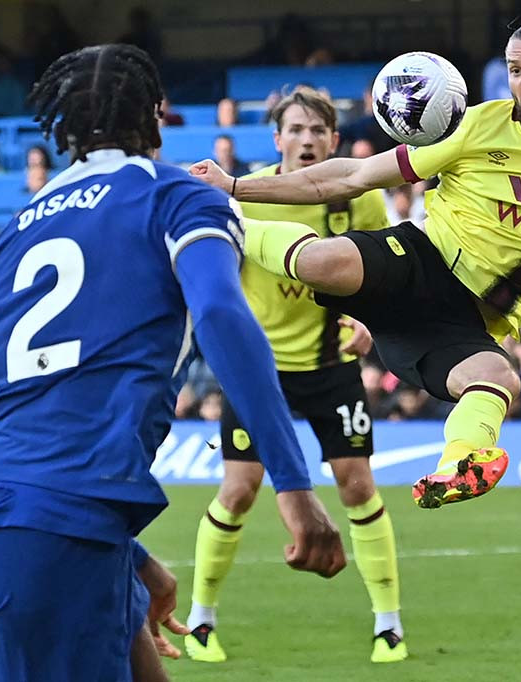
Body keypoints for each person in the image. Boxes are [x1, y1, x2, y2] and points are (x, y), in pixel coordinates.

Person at [190, 15, 521, 509]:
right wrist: (235, 187)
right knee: (324, 261)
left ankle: (458, 466)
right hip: (420, 261)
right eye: (515, 70)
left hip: (469, 317)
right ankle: (227, 222)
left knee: (497, 377)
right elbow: (354, 176)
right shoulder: (476, 124)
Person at [0, 44, 346, 682]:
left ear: (66, 127)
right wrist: (293, 485)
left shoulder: (15, 230)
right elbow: (222, 315)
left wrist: (130, 557)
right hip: (53, 522)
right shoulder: (179, 197)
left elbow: (18, 402)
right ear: (156, 116)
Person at [186, 87, 407, 665]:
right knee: (238, 491)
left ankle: (388, 626)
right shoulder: (244, 196)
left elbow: (383, 274)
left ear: (333, 141)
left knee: (357, 486)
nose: (306, 140)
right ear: (277, 138)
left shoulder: (358, 198)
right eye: (296, 130)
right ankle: (201, 621)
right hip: (257, 372)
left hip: (331, 367)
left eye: (317, 131)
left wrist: (371, 320)